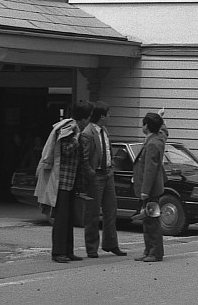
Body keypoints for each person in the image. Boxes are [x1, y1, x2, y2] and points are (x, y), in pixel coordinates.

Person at [34, 101, 95, 263]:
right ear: (83, 118)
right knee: (61, 218)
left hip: (70, 180)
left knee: (68, 218)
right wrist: (78, 139)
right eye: (88, 117)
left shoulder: (75, 128)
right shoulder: (70, 128)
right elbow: (65, 149)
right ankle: (58, 252)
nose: (89, 121)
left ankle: (68, 251)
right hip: (62, 181)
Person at [82, 102, 127, 258]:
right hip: (96, 176)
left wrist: (111, 165)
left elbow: (107, 150)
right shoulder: (88, 133)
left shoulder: (104, 130)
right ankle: (92, 247)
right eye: (108, 114)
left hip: (107, 173)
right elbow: (85, 158)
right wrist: (91, 174)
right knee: (93, 213)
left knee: (111, 211)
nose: (110, 117)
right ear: (102, 117)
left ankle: (111, 244)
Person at [133, 112, 166, 262]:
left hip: (151, 190)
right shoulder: (159, 138)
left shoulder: (152, 143)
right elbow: (165, 131)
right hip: (155, 189)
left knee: (152, 221)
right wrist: (161, 118)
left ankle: (155, 252)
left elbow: (149, 170)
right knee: (148, 220)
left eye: (143, 124)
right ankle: (149, 250)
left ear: (146, 126)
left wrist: (145, 191)